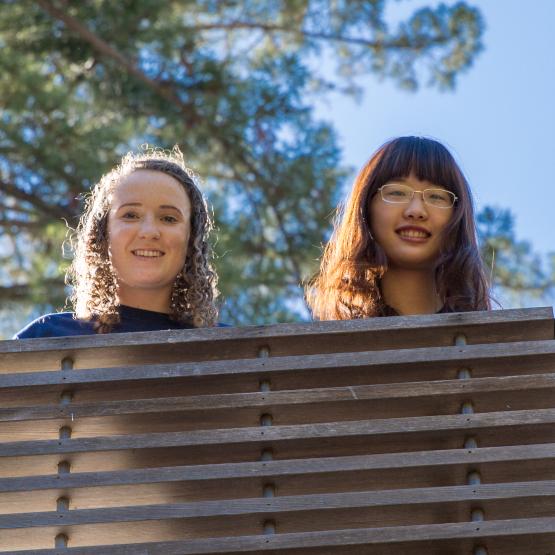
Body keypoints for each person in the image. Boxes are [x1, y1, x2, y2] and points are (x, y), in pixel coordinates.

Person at [15, 147, 219, 338]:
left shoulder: (231, 347)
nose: (149, 232)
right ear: (103, 233)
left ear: (192, 239)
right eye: (130, 215)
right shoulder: (48, 335)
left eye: (168, 218)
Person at [306, 136, 491, 320]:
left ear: (457, 214)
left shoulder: (486, 343)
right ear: (366, 208)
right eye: (397, 192)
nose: (416, 211)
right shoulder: (333, 345)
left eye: (436, 196)